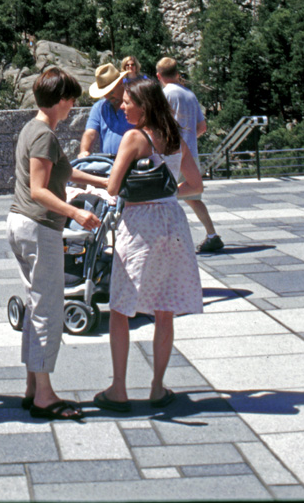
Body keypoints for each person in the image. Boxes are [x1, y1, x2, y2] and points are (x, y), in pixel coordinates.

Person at [7, 67, 111, 421]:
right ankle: (45, 397)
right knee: (48, 309)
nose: (73, 106)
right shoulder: (44, 136)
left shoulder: (35, 129)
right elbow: (39, 189)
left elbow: (64, 173)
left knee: (37, 305)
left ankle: (34, 387)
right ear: (60, 100)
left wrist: (104, 180)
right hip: (38, 227)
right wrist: (75, 213)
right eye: (71, 100)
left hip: (25, 225)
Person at [95, 77, 204, 413]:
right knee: (165, 308)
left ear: (143, 105)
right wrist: (167, 193)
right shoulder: (173, 137)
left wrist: (78, 177)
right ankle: (157, 387)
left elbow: (113, 188)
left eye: (127, 101)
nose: (122, 106)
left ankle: (119, 389)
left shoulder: (133, 137)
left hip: (140, 225)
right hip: (172, 222)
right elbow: (195, 185)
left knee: (120, 307)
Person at [156, 56, 222, 253]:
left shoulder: (164, 95)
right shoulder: (190, 95)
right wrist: (188, 139)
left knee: (163, 197)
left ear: (159, 76)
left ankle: (170, 241)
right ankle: (212, 234)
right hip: (190, 152)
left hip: (171, 153)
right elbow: (202, 127)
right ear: (177, 74)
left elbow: (159, 125)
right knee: (192, 195)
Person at [78, 63, 132, 157]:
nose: (107, 97)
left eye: (111, 92)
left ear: (121, 83)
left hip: (133, 162)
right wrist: (84, 151)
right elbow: (90, 132)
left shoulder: (135, 104)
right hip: (108, 162)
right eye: (105, 93)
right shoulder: (99, 107)